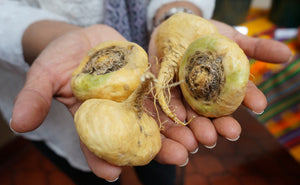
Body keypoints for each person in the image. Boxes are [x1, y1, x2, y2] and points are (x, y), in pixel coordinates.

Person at [0, 0, 292, 184]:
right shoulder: (94, 96)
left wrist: (176, 12)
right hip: (57, 97)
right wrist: (48, 36)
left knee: (163, 169)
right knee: (92, 172)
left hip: (151, 58)